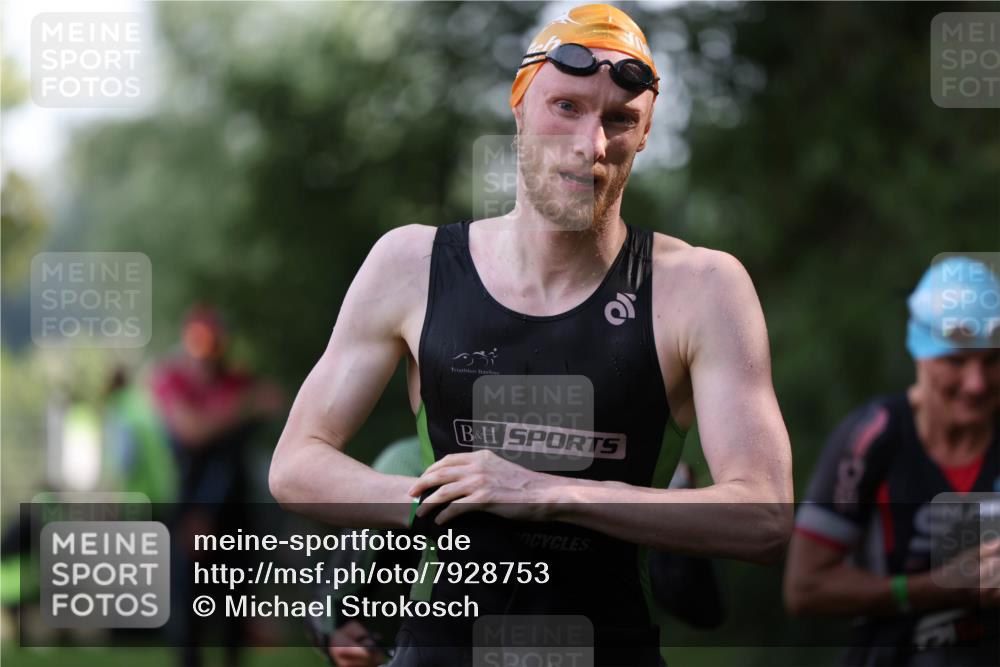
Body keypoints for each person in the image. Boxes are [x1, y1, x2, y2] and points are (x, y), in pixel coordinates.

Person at [270, 4, 792, 665]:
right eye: (566, 106)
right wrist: (444, 501)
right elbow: (295, 465)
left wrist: (547, 493)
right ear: (518, 106)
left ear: (646, 132)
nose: (590, 144)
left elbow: (767, 515)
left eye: (620, 119)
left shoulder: (703, 288)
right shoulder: (412, 265)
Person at [306, 438, 725, 667]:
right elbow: (349, 569)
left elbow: (697, 606)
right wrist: (333, 628)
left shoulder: (646, 465)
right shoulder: (412, 460)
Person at [784, 256, 1000, 666]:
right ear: (920, 352)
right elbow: (805, 589)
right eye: (956, 361)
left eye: (992, 361)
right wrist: (939, 589)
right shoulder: (871, 438)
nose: (977, 383)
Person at [151, 304, 283, 667]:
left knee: (234, 604)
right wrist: (241, 409)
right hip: (188, 503)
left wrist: (228, 413)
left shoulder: (237, 382)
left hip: (237, 508)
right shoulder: (174, 380)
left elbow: (274, 402)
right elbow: (190, 430)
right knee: (187, 608)